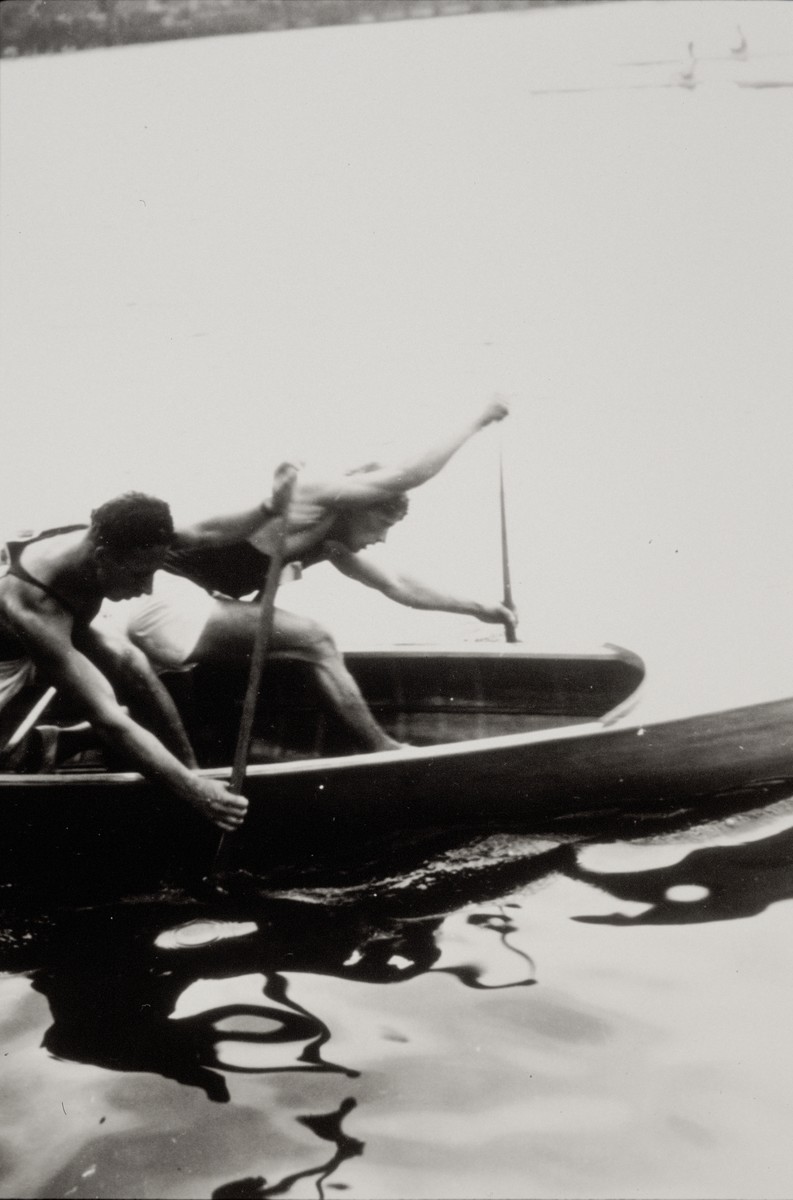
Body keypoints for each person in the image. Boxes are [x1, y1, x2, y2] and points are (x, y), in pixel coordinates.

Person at [103, 396, 518, 753]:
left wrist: (481, 608)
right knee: (316, 640)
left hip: (170, 613)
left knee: (283, 653)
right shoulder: (316, 496)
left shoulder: (330, 541)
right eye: (381, 525)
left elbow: (397, 585)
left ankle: (68, 740)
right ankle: (380, 750)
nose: (383, 539)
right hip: (158, 596)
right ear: (361, 503)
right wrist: (478, 419)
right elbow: (409, 476)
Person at [0, 493, 247, 832]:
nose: (147, 589)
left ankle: (188, 768)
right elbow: (107, 717)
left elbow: (206, 532)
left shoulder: (112, 537)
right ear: (103, 558)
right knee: (11, 755)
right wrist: (196, 794)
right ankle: (64, 742)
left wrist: (270, 508)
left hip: (64, 619)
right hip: (16, 643)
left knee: (132, 662)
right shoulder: (34, 604)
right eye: (139, 576)